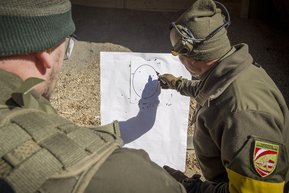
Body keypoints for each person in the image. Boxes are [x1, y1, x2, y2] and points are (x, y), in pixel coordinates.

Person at [0, 1, 187, 193]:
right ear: (45, 52)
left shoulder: (20, 106)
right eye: (66, 46)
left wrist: (140, 121)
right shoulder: (128, 178)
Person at [158, 0, 289, 192]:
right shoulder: (233, 72)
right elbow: (210, 91)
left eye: (177, 53)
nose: (179, 59)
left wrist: (191, 187)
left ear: (189, 55)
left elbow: (253, 191)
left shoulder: (245, 114)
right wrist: (176, 83)